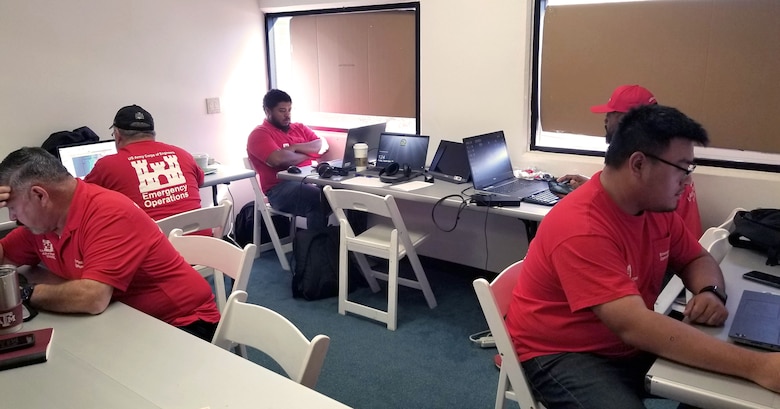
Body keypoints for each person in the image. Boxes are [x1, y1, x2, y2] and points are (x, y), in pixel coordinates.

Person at [505, 104, 780, 408]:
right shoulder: (582, 227)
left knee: (723, 387)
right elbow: (633, 325)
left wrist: (710, 292)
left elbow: (696, 259)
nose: (687, 181)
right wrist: (758, 367)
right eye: (681, 168)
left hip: (623, 341)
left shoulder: (653, 207)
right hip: (561, 351)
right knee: (738, 370)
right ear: (638, 164)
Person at [0, 147, 220, 341]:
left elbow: (92, 298)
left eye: (13, 207)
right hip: (123, 321)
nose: (12, 217)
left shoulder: (108, 212)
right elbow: (3, 259)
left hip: (183, 322)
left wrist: (22, 293)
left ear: (39, 195)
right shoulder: (41, 224)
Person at [558, 84, 702, 237]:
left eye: (611, 114)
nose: (605, 121)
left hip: (670, 253)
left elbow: (626, 216)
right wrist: (591, 189)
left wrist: (583, 201)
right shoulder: (665, 161)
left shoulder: (657, 173)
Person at [85, 105, 206, 228]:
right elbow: (200, 182)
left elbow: (83, 202)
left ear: (117, 135)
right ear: (153, 133)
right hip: (206, 243)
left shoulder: (106, 166)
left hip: (153, 246)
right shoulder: (183, 154)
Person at [247, 89, 330, 230]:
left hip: (310, 179)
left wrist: (294, 147)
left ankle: (350, 246)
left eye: (289, 110)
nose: (287, 115)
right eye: (282, 111)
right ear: (268, 111)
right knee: (318, 199)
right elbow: (278, 160)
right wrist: (308, 154)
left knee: (348, 194)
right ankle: (317, 248)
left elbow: (319, 144)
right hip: (279, 189)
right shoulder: (259, 134)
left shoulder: (299, 127)